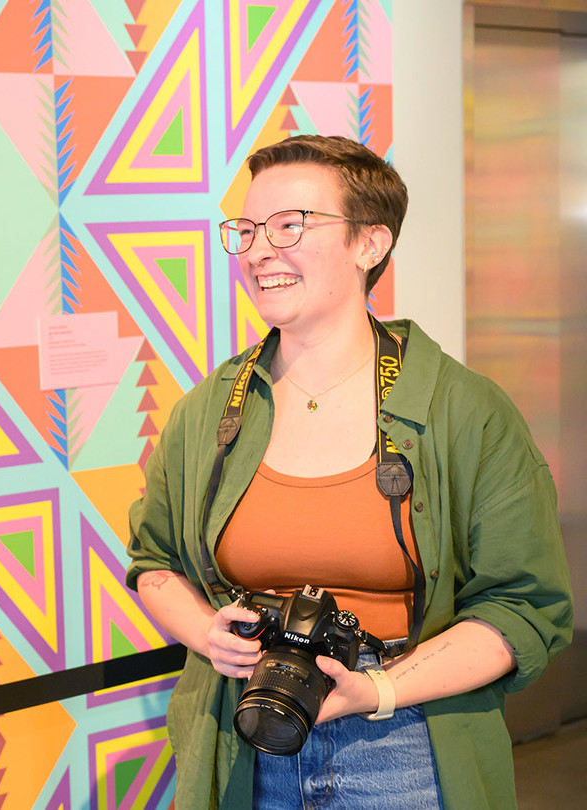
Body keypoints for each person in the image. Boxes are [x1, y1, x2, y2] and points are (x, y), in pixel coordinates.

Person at [125, 135, 572, 808]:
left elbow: (524, 608)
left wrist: (379, 688)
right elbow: (153, 561)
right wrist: (205, 634)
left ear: (370, 244)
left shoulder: (465, 413)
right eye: (246, 230)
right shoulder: (209, 411)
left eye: (289, 225)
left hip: (408, 743)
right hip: (244, 740)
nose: (257, 250)